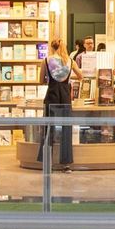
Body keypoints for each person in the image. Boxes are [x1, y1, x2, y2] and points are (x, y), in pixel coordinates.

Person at [43, 38, 76, 171]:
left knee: (48, 129)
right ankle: (66, 164)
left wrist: (49, 77)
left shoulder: (46, 60)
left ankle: (47, 162)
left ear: (52, 47)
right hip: (65, 97)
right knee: (66, 130)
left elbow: (41, 80)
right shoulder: (70, 61)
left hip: (51, 96)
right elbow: (81, 76)